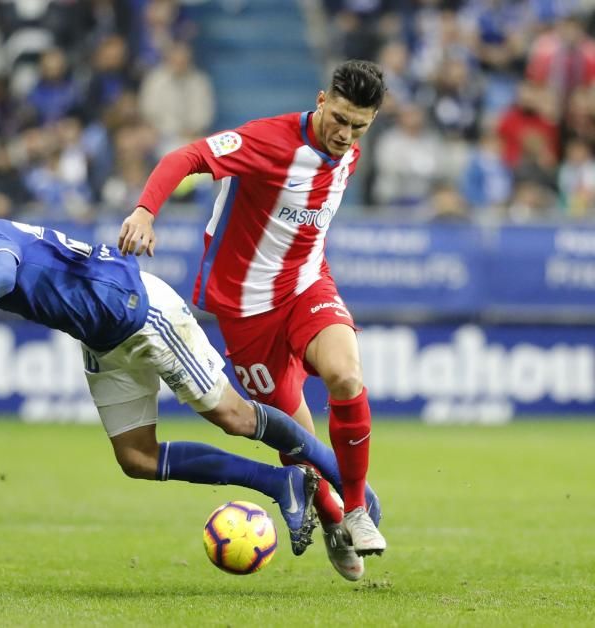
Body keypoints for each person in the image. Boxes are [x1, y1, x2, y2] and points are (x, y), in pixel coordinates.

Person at [0, 211, 377, 562]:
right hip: (101, 341)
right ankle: (281, 482)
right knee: (136, 460)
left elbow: (2, 273)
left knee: (235, 418)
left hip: (140, 313)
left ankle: (349, 485)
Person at [117, 59, 389, 575]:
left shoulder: (347, 155)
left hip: (308, 284)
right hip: (247, 311)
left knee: (347, 375)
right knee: (296, 437)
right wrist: (146, 210)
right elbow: (189, 155)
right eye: (341, 120)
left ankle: (356, 510)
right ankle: (331, 518)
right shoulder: (269, 141)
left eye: (360, 127)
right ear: (322, 100)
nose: (346, 135)